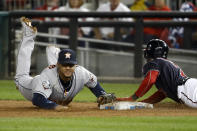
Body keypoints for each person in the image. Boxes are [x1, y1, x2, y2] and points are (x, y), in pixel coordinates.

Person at [15, 17, 115, 110]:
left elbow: (94, 85)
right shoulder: (46, 77)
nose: (68, 67)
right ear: (59, 65)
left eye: (71, 65)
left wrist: (102, 95)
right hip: (32, 86)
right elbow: (37, 100)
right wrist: (55, 106)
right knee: (20, 78)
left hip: (54, 76)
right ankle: (29, 34)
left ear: (76, 65)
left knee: (60, 69)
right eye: (65, 65)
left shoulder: (82, 73)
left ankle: (52, 50)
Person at [116, 39, 197, 108]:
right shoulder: (164, 64)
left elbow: (150, 80)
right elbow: (162, 93)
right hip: (190, 86)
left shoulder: (154, 62)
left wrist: (133, 98)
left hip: (188, 90)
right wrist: (142, 103)